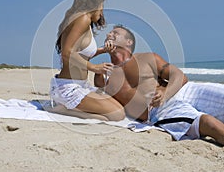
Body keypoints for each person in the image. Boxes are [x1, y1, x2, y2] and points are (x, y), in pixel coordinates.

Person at [94, 25, 224, 145]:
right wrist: (100, 51)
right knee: (210, 124)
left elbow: (179, 76)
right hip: (159, 110)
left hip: (183, 90)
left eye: (115, 33)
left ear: (129, 42)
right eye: (109, 33)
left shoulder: (147, 58)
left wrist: (165, 94)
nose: (109, 35)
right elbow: (76, 63)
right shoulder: (104, 74)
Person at [49, 0, 125, 121]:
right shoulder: (82, 19)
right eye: (102, 5)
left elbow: (80, 55)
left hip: (81, 85)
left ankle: (65, 108)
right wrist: (94, 67)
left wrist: (103, 50)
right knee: (117, 114)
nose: (102, 11)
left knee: (119, 110)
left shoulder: (85, 21)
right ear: (94, 3)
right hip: (68, 87)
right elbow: (67, 53)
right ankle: (63, 110)